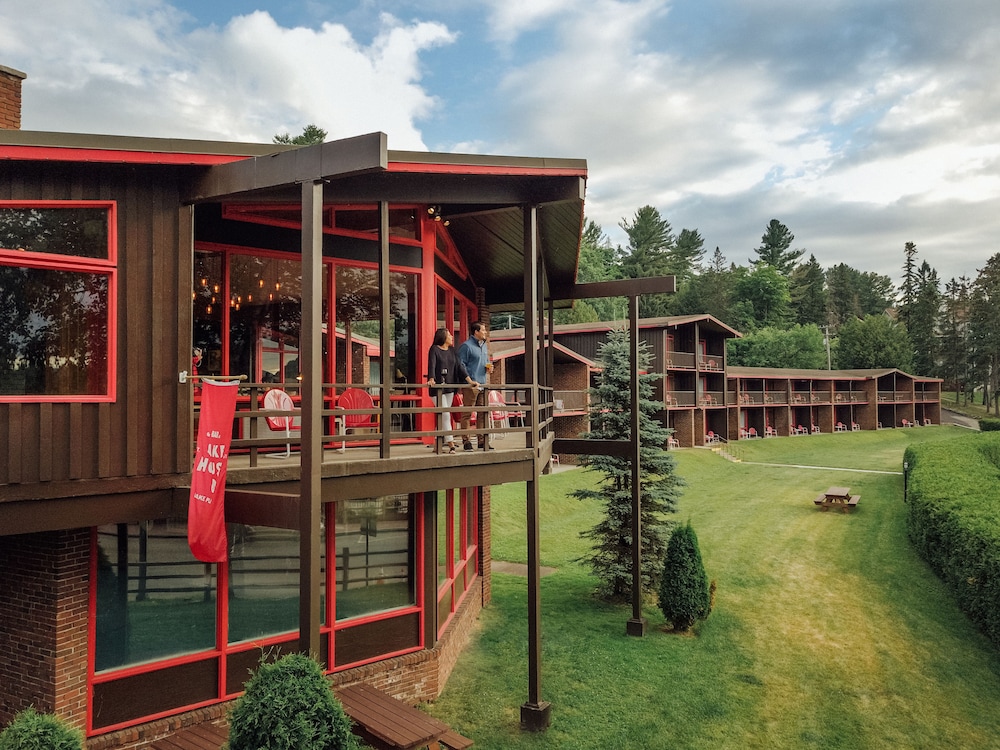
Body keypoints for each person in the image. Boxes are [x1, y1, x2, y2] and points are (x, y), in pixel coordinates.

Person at [427, 328, 478, 453]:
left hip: (450, 387)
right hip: (437, 388)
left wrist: (470, 381)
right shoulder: (434, 349)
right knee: (445, 414)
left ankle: (437, 445)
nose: (451, 337)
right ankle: (451, 444)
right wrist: (431, 378)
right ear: (443, 337)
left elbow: (460, 367)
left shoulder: (452, 351)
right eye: (449, 335)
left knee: (443, 416)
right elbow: (432, 364)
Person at [457, 321, 492, 450]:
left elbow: (486, 362)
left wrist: (489, 368)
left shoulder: (484, 346)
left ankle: (482, 440)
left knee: (482, 413)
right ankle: (466, 441)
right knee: (467, 413)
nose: (485, 332)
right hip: (471, 386)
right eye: (483, 330)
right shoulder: (466, 346)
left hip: (483, 384)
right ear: (476, 332)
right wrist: (469, 381)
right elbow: (461, 365)